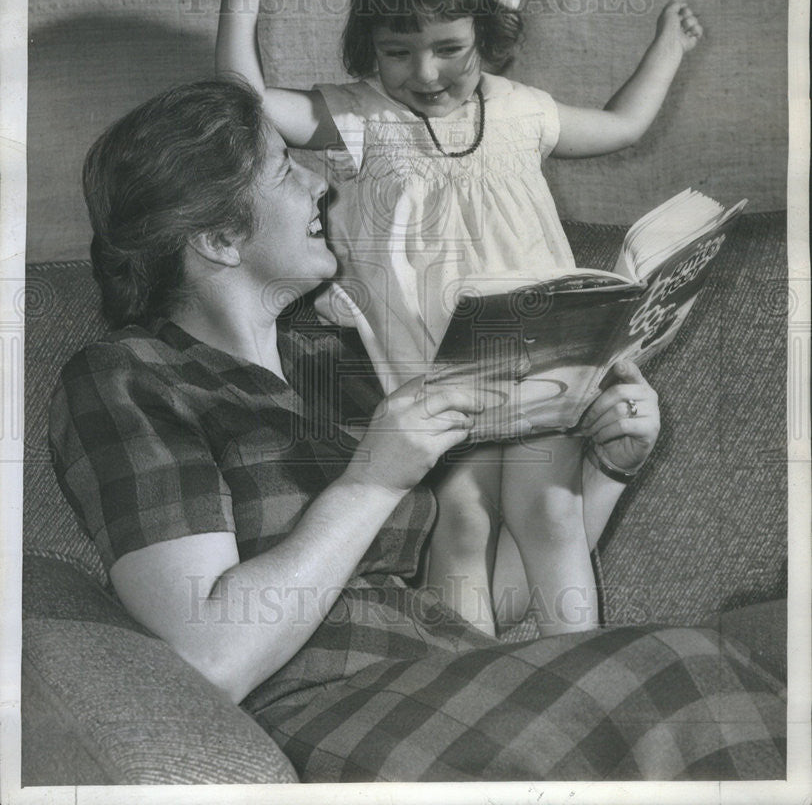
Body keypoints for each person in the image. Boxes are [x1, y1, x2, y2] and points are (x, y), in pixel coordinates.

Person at [49, 80, 785, 782]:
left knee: (698, 680)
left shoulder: (337, 359)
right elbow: (211, 655)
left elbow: (488, 601)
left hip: (450, 677)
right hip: (322, 715)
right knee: (681, 672)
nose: (319, 183)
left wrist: (608, 473)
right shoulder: (127, 378)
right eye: (282, 168)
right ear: (217, 237)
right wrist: (372, 478)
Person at [188, 0, 704, 636]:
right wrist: (239, 2)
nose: (424, 72)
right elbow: (245, 104)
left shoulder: (522, 113)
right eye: (398, 51)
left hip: (540, 360)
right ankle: (469, 681)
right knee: (460, 523)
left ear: (486, 36)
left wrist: (668, 49)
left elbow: (622, 125)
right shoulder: (360, 118)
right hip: (434, 378)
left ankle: (582, 661)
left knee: (551, 511)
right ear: (371, 45)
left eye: (448, 48)